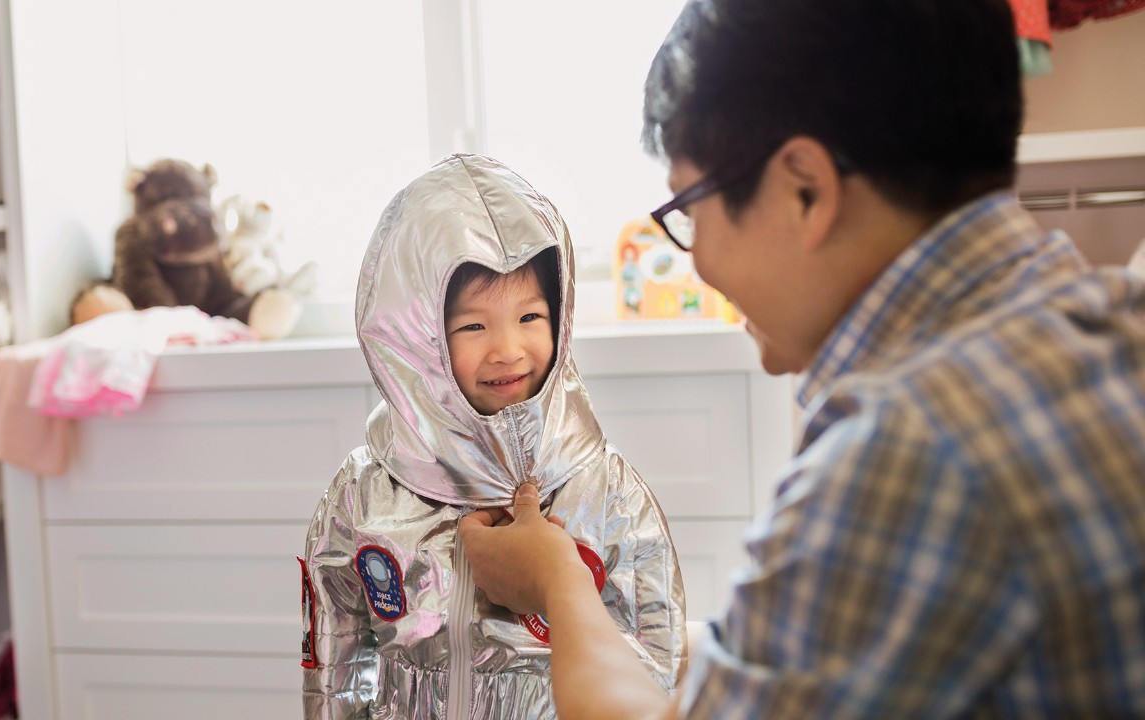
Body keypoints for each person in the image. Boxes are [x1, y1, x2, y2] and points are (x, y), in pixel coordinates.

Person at [459, 0, 1145, 718]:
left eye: (691, 211)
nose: (700, 264)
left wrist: (557, 584)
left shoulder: (899, 455)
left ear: (805, 190)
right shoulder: (1115, 320)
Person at [299, 153, 687, 718]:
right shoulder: (365, 493)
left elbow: (657, 661)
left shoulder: (607, 493)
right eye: (473, 325)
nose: (507, 349)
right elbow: (335, 659)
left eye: (530, 318)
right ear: (418, 340)